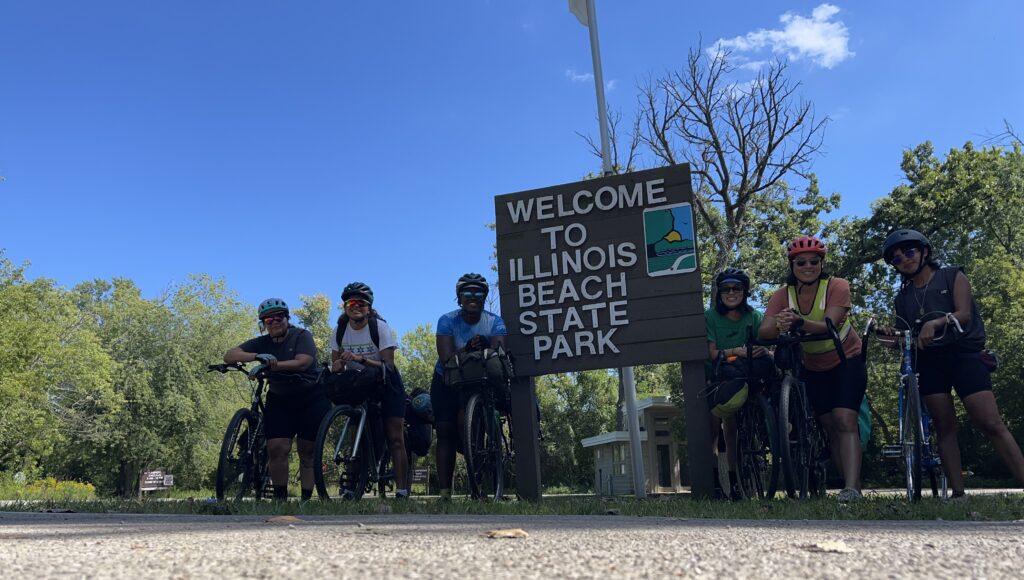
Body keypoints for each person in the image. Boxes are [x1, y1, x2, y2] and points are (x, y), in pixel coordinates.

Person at [882, 229, 1024, 497]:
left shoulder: (952, 276)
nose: (904, 259)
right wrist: (893, 339)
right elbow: (908, 336)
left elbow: (964, 314)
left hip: (963, 353)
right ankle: (958, 495)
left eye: (909, 252)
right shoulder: (902, 298)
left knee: (989, 421)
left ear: (924, 251)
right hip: (930, 360)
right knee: (943, 424)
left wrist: (936, 322)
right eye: (896, 259)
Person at [759, 235, 867, 503]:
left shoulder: (837, 286)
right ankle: (848, 486)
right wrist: (779, 324)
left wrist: (798, 322)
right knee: (830, 426)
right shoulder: (782, 295)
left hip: (847, 360)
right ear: (792, 265)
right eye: (801, 262)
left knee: (845, 420)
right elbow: (764, 331)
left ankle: (852, 488)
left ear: (822, 263)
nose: (808, 266)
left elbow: (830, 325)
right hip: (813, 367)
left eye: (814, 261)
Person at [223, 298, 330, 502]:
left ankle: (306, 500)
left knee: (307, 451)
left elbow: (303, 363)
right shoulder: (262, 342)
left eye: (279, 317)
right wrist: (257, 356)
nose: (274, 322)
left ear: (287, 318)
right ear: (263, 324)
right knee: (276, 448)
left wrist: (272, 365)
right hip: (280, 398)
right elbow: (230, 354)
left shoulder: (302, 336)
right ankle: (280, 499)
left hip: (311, 397)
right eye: (268, 319)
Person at [329, 282, 410, 499]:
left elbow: (388, 365)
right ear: (345, 306)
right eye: (352, 302)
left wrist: (359, 358)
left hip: (387, 383)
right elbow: (336, 365)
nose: (357, 306)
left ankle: (402, 489)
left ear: (369, 307)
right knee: (356, 432)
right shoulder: (339, 331)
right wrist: (337, 366)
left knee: (395, 437)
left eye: (362, 303)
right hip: (360, 383)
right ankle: (351, 483)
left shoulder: (379, 327)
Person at [432, 273, 507, 500]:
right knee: (445, 433)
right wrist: (467, 348)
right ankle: (445, 493)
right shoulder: (447, 320)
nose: (472, 297)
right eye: (467, 293)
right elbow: (445, 358)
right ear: (459, 298)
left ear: (484, 297)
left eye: (478, 293)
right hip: (447, 379)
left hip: (477, 380)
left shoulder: (495, 322)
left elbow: (499, 353)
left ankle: (480, 488)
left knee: (474, 432)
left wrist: (487, 345)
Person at [704, 268, 773, 500]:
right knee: (714, 430)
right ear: (719, 293)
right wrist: (736, 351)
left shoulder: (754, 317)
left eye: (737, 288)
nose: (731, 293)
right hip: (716, 377)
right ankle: (715, 483)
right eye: (726, 289)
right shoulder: (710, 317)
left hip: (744, 376)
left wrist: (765, 350)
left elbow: (765, 341)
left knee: (733, 429)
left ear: (745, 292)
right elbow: (711, 353)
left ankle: (735, 484)